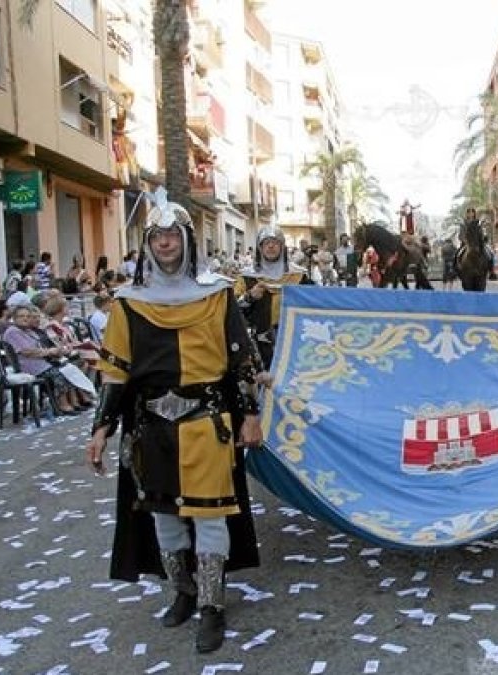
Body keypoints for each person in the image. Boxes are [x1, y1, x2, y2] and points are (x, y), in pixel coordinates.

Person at [85, 191, 263, 654]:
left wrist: (251, 416)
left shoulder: (217, 294)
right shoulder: (128, 303)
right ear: (148, 243)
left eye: (172, 235)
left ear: (187, 240)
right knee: (165, 517)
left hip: (206, 421)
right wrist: (101, 428)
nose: (165, 243)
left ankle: (212, 606)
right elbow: (116, 370)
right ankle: (182, 590)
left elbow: (241, 359)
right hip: (151, 427)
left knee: (209, 516)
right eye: (157, 235)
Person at [235, 226, 311, 369]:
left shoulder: (299, 276)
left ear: (282, 247)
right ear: (260, 248)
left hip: (294, 337)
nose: (270, 246)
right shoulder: (247, 277)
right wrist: (249, 296)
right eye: (266, 242)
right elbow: (233, 309)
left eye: (275, 242)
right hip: (258, 340)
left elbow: (314, 304)